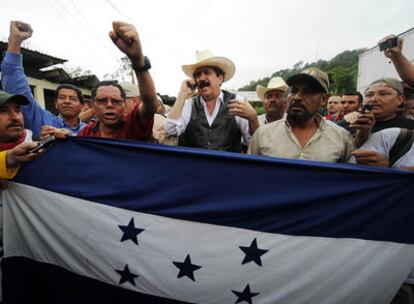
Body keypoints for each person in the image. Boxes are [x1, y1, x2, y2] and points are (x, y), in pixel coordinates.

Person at [42, 21, 158, 141]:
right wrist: (64, 138)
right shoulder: (88, 133)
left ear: (124, 105)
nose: (109, 105)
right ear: (93, 105)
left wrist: (137, 60)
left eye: (116, 101)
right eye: (102, 100)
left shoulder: (133, 126)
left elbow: (150, 105)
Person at [248, 67, 354, 163]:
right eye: (294, 91)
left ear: (323, 100)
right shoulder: (262, 135)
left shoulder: (341, 138)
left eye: (308, 92)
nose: (297, 97)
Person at [1, 21, 86, 138]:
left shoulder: (92, 132)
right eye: (61, 97)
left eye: (73, 98)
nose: (67, 101)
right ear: (56, 104)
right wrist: (15, 41)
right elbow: (15, 84)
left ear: (82, 106)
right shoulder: (43, 121)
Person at [165, 50, 259, 152]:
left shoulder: (237, 102)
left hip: (227, 167)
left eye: (206, 72)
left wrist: (253, 119)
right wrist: (182, 94)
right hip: (192, 167)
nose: (201, 78)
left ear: (220, 78)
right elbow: (170, 130)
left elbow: (254, 142)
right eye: (198, 75)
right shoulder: (189, 105)